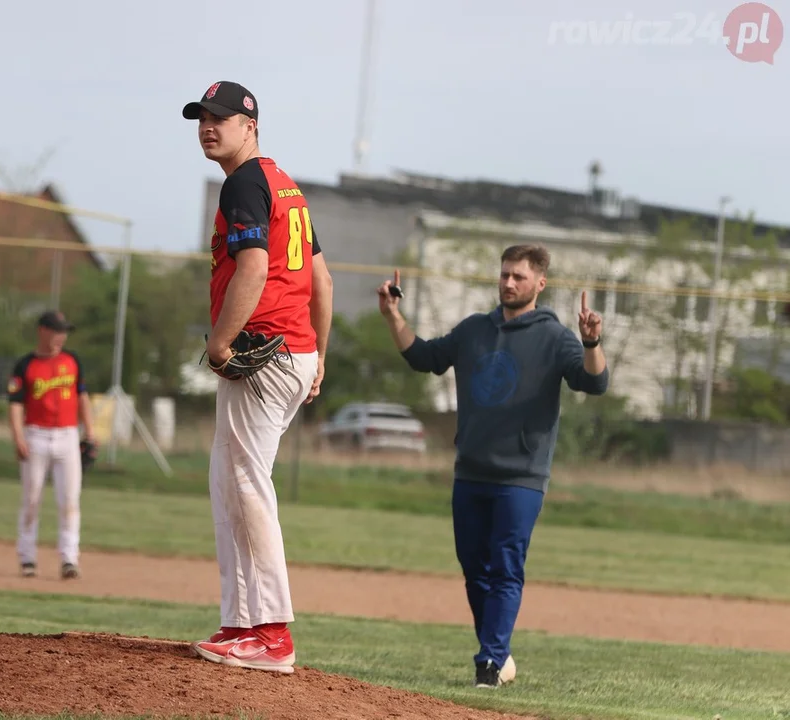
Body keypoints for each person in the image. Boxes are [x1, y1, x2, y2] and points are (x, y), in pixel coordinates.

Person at [377, 244, 608, 688]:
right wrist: (391, 315)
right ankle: (498, 652)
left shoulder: (555, 337)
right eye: (504, 275)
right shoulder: (475, 330)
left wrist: (591, 342)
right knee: (473, 567)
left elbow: (594, 382)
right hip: (471, 471)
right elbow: (424, 357)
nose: (508, 283)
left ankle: (489, 660)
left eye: (518, 276)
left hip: (521, 477)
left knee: (505, 567)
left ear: (540, 283)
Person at [181, 80, 334, 674]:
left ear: (252, 125)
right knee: (229, 481)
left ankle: (272, 635)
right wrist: (318, 355)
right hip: (291, 352)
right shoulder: (283, 184)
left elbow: (255, 265)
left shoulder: (245, 183)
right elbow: (320, 280)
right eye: (201, 118)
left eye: (221, 117)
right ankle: (242, 622)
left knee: (246, 486)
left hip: (264, 353)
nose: (208, 126)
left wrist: (219, 339)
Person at [7, 310, 96, 580]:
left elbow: (82, 398)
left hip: (67, 436)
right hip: (35, 435)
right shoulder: (25, 365)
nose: (61, 335)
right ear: (42, 330)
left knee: (69, 500)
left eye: (64, 331)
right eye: (56, 330)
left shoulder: (72, 361)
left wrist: (90, 432)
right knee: (31, 499)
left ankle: (70, 559)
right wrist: (18, 437)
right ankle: (27, 558)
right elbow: (15, 404)